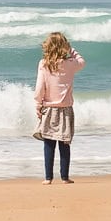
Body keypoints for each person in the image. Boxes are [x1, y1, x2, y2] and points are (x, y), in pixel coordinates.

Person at [34, 32, 85, 184]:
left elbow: (39, 88)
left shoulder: (44, 64)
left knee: (49, 143)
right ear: (64, 46)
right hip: (66, 109)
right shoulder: (70, 63)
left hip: (49, 108)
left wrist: (38, 104)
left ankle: (48, 178)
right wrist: (72, 50)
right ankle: (64, 177)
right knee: (64, 144)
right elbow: (82, 62)